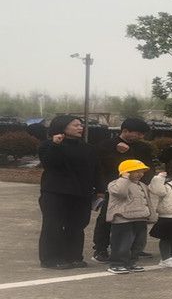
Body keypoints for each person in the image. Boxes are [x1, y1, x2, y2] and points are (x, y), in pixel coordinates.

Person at [38, 115, 102, 269]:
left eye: (81, 125)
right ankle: (51, 259)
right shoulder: (49, 145)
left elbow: (96, 169)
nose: (80, 127)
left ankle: (73, 257)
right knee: (53, 225)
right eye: (76, 125)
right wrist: (55, 145)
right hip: (56, 193)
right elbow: (49, 164)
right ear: (62, 126)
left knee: (77, 225)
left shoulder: (87, 148)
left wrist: (100, 189)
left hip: (81, 193)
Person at [92, 118, 153, 263]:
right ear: (125, 131)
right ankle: (100, 249)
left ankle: (134, 248)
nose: (141, 137)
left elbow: (149, 167)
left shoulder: (143, 147)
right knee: (108, 218)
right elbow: (101, 167)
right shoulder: (107, 145)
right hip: (114, 188)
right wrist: (101, 188)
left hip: (137, 189)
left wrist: (143, 185)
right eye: (138, 133)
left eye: (143, 134)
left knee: (137, 219)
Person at [106, 160, 155, 274]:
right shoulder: (115, 184)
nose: (140, 174)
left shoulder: (142, 185)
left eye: (142, 172)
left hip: (140, 218)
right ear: (126, 172)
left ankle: (131, 262)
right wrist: (124, 178)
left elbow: (148, 201)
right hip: (122, 219)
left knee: (139, 243)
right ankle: (117, 264)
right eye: (136, 171)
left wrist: (151, 215)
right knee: (122, 243)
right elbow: (120, 192)